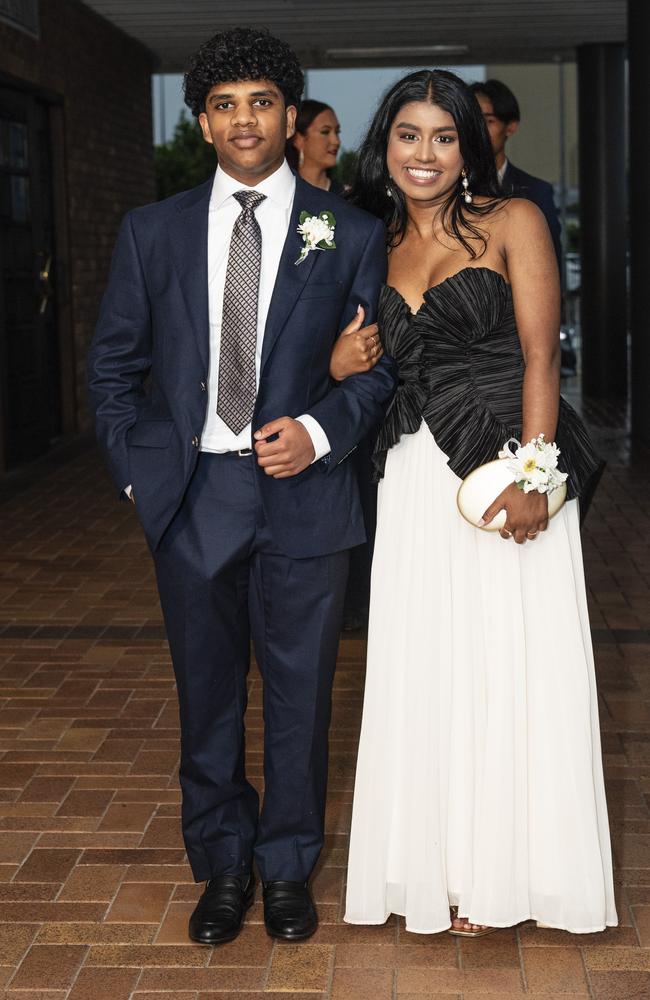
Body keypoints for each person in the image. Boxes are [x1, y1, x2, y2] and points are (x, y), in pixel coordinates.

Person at [88, 26, 395, 947]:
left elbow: (378, 371)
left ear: (290, 117)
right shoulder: (154, 231)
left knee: (302, 696)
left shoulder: (349, 232)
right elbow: (113, 368)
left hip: (307, 497)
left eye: (261, 102)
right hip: (194, 498)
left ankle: (288, 864)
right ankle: (223, 863)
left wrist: (317, 428)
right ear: (203, 122)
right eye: (224, 105)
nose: (244, 120)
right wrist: (142, 483)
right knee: (208, 694)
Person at [343, 69, 617, 936]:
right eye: (408, 135)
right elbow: (354, 357)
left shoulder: (515, 221)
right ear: (383, 146)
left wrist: (536, 479)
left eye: (444, 136)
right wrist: (340, 367)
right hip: (414, 478)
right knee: (428, 666)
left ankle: (510, 874)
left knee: (509, 666)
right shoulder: (371, 240)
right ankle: (443, 869)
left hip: (503, 468)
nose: (424, 154)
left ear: (470, 146)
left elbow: (543, 356)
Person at [470, 79, 562, 268]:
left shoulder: (535, 191)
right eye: (471, 120)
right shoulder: (446, 187)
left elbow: (550, 265)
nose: (478, 129)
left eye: (488, 121)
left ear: (510, 127)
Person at [286, 99, 344, 193]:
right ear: (298, 139)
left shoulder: (348, 199)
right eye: (325, 132)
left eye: (337, 132)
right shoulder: (281, 195)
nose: (336, 141)